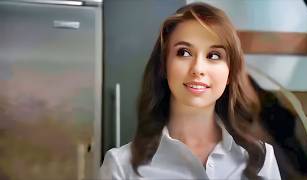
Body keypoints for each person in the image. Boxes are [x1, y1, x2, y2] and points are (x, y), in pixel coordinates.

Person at [100, 2, 281, 179]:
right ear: (164, 65)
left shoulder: (261, 160)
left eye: (214, 55)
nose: (198, 68)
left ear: (230, 73)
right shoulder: (121, 166)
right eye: (184, 52)